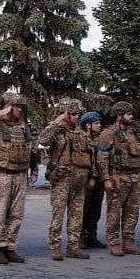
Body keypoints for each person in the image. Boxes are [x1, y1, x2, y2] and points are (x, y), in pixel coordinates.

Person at [0, 93, 39, 264]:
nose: (19, 109)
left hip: (20, 174)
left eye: (20, 107)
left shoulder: (24, 125)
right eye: (15, 106)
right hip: (2, 173)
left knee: (17, 214)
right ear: (6, 107)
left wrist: (34, 171)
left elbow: (32, 149)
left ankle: (10, 246)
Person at [40, 99, 96, 261]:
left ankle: (73, 246)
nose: (77, 117)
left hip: (79, 180)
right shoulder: (57, 131)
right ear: (65, 115)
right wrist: (55, 124)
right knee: (58, 214)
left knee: (77, 215)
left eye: (78, 114)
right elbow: (43, 140)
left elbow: (89, 155)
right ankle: (55, 246)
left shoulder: (82, 134)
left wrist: (92, 176)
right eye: (73, 114)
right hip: (61, 179)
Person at [95, 101, 140, 256]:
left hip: (134, 177)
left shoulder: (135, 133)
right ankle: (114, 243)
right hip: (118, 177)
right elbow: (102, 157)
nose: (131, 117)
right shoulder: (108, 133)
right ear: (119, 116)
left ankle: (128, 242)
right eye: (128, 114)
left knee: (132, 212)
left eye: (131, 114)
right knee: (114, 211)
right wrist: (106, 178)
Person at [78, 111, 107, 249]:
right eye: (97, 123)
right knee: (84, 209)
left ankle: (92, 236)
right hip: (86, 180)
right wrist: (91, 177)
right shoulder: (82, 138)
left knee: (96, 210)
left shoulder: (101, 139)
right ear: (88, 125)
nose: (99, 125)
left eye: (99, 123)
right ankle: (81, 237)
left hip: (99, 180)